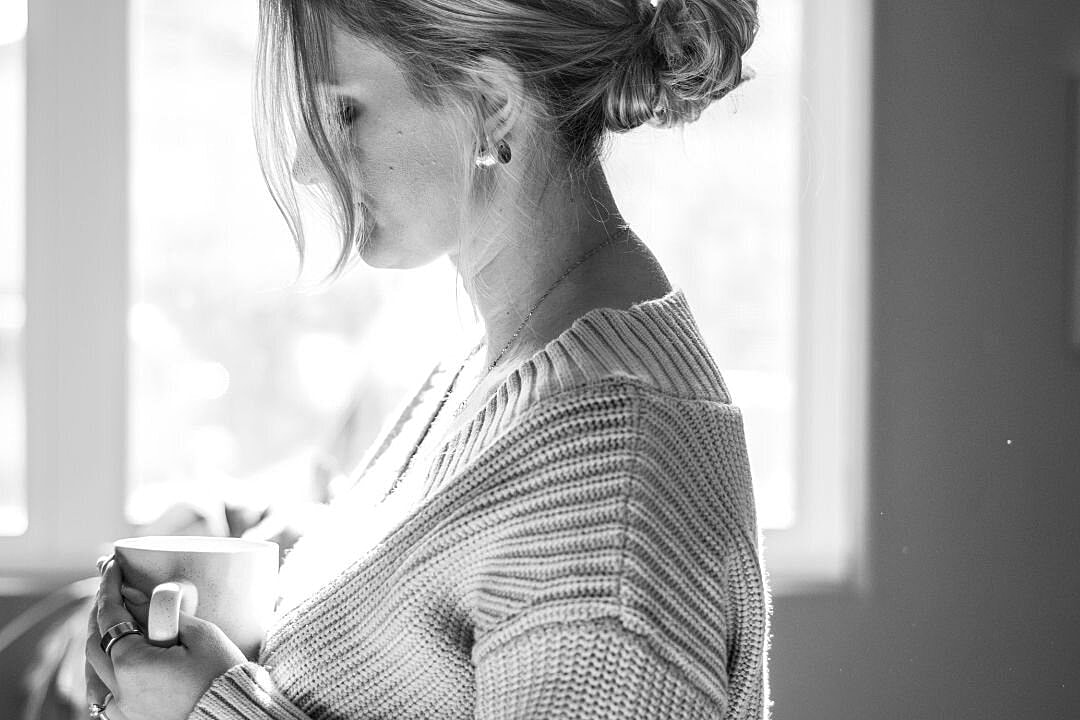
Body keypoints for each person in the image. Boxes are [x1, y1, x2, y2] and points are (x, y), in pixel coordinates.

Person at [85, 0, 771, 717]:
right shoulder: (503, 359)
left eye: (345, 112)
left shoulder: (609, 494)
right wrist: (281, 541)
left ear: (492, 104)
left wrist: (207, 708)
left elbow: (548, 543)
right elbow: (455, 574)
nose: (306, 165)